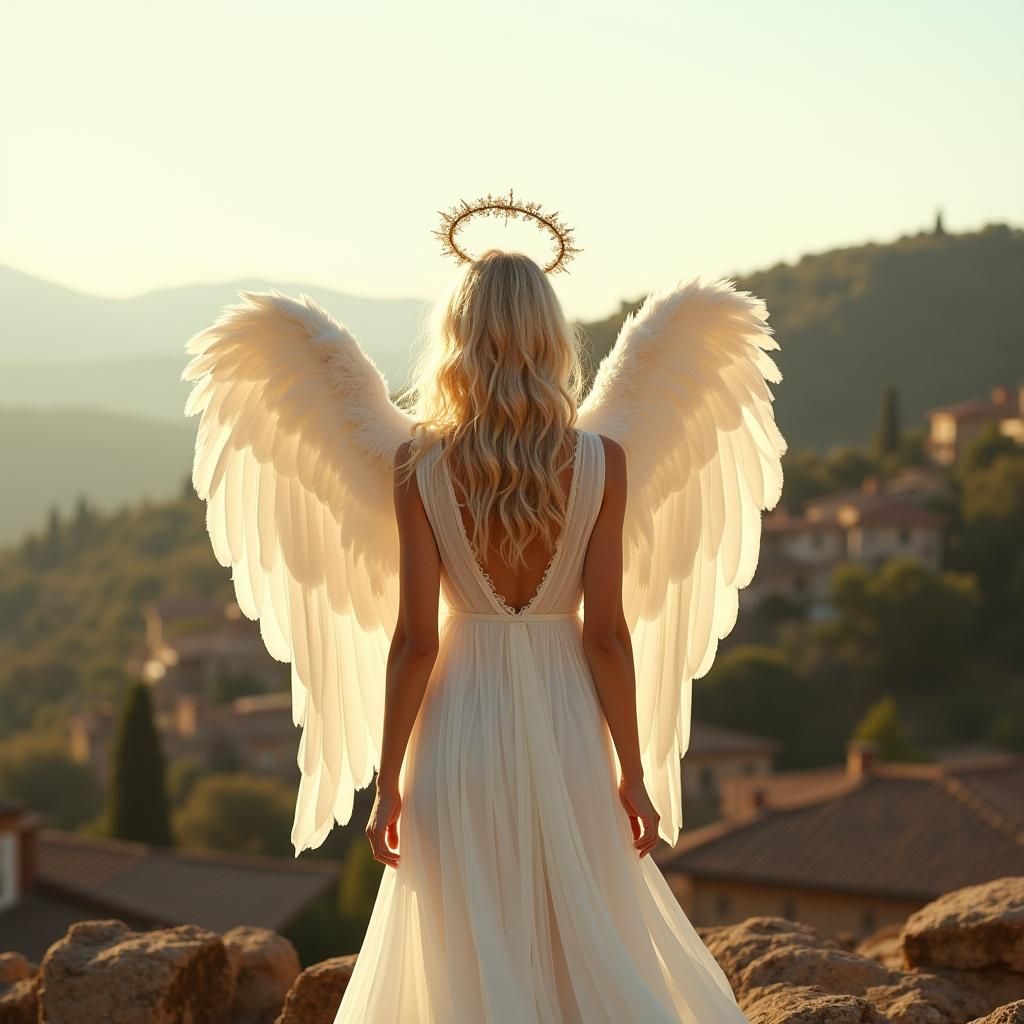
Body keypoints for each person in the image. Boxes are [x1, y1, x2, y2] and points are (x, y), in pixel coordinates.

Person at [183, 194, 785, 1022]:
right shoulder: (601, 462)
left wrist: (387, 783)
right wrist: (636, 776)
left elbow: (412, 644)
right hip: (569, 716)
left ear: (458, 339)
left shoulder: (417, 467)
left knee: (467, 939)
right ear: (550, 339)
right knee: (577, 932)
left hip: (459, 722)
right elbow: (607, 637)